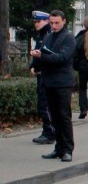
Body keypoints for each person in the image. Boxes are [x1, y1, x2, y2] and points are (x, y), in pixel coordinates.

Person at [29, 10, 75, 162]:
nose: (54, 26)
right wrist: (36, 58)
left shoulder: (68, 37)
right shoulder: (48, 37)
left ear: (64, 21)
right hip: (49, 81)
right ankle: (59, 148)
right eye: (52, 23)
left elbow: (63, 57)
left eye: (57, 23)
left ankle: (68, 149)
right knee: (54, 118)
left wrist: (43, 55)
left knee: (64, 117)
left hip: (62, 83)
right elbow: (45, 54)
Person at [29, 10, 55, 145]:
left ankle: (49, 133)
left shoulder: (47, 35)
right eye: (35, 22)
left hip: (46, 75)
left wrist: (36, 65)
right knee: (43, 104)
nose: (36, 24)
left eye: (38, 21)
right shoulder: (42, 35)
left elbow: (46, 55)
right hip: (42, 75)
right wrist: (33, 66)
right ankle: (48, 131)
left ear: (46, 21)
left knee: (45, 105)